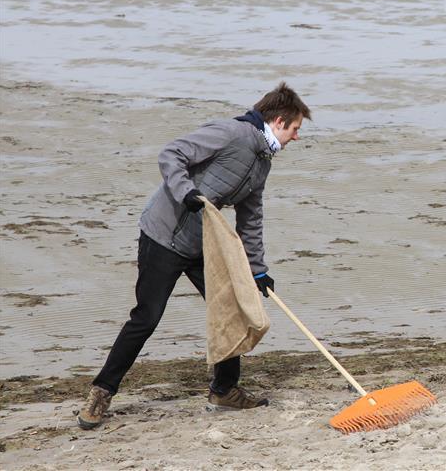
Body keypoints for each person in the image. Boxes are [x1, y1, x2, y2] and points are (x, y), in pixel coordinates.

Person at [77, 82, 311, 430]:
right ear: (278, 121)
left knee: (233, 308)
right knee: (147, 317)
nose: (295, 138)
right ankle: (101, 394)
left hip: (204, 244)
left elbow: (251, 219)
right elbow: (172, 154)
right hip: (162, 236)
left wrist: (258, 271)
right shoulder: (232, 133)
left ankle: (224, 391)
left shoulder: (262, 163)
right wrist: (186, 191)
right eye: (295, 130)